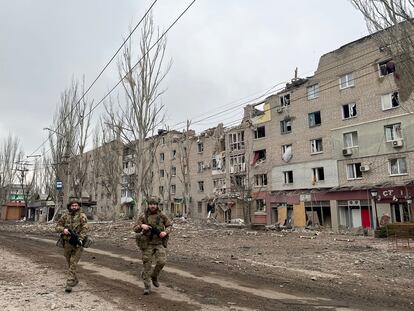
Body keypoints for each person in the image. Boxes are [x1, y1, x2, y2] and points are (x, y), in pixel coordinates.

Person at [133, 197, 172, 295]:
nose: (152, 206)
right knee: (147, 265)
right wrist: (142, 226)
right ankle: (147, 287)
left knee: (162, 261)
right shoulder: (143, 216)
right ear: (148, 205)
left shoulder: (162, 215)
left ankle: (154, 276)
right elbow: (135, 228)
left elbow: (169, 225)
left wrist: (165, 232)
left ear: (157, 205)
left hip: (159, 243)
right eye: (151, 204)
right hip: (147, 244)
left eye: (154, 204)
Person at [55, 200, 88, 293]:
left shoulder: (82, 216)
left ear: (78, 206)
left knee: (73, 263)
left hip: (78, 243)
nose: (74, 207)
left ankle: (69, 283)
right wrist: (63, 230)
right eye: (72, 205)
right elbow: (57, 227)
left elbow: (85, 228)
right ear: (70, 206)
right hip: (67, 243)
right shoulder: (65, 216)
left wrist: (80, 239)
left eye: (76, 205)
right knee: (69, 262)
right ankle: (75, 279)